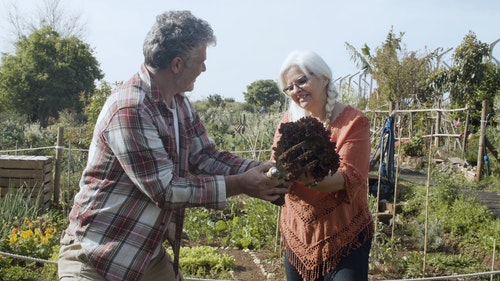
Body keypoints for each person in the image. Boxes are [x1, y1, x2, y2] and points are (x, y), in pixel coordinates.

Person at [57, 10, 286, 281]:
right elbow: (165, 190)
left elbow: (205, 156)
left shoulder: (179, 104)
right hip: (99, 254)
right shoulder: (130, 107)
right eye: (200, 62)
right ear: (177, 65)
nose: (204, 69)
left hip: (143, 252)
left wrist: (262, 169)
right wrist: (242, 184)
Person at [272, 50, 374, 281]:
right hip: (298, 231)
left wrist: (299, 174)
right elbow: (275, 163)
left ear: (324, 78)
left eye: (302, 81)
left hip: (344, 234)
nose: (296, 90)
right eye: (290, 87)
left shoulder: (353, 122)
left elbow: (348, 178)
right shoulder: (288, 121)